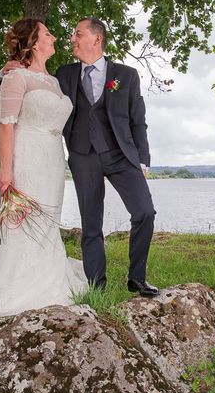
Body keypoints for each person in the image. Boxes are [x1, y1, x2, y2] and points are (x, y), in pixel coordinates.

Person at [0, 18, 88, 318]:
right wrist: (6, 170)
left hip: (53, 160)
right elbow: (6, 126)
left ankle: (51, 278)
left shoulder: (55, 81)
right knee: (24, 223)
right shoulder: (16, 77)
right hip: (26, 158)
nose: (54, 38)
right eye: (48, 34)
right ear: (35, 42)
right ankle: (17, 290)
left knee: (48, 220)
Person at [55, 17, 159, 297]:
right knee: (91, 223)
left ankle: (137, 278)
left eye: (78, 34)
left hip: (121, 154)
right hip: (82, 155)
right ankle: (96, 287)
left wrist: (143, 159)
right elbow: (37, 85)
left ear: (96, 39)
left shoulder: (126, 75)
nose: (72, 39)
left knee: (144, 212)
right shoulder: (63, 74)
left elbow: (138, 121)